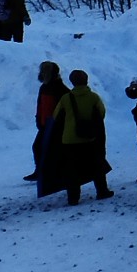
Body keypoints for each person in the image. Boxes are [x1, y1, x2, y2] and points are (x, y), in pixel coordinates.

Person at [38, 69, 114, 206]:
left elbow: (56, 116)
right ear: (87, 80)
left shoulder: (66, 98)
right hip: (90, 138)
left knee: (72, 170)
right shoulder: (94, 97)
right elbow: (101, 113)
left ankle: (73, 198)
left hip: (70, 140)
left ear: (72, 82)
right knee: (96, 166)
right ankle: (102, 191)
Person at [27, 61, 67, 180]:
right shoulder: (44, 87)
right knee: (38, 147)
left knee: (45, 148)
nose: (42, 73)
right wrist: (38, 119)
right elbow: (40, 105)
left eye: (44, 71)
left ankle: (45, 172)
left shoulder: (59, 88)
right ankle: (41, 171)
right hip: (45, 124)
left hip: (54, 125)